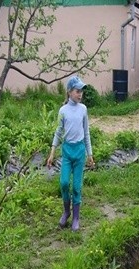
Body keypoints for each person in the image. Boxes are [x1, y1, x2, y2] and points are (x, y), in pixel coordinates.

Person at [47, 76, 94, 231]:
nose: (80, 94)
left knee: (76, 186)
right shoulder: (63, 111)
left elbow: (86, 132)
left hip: (79, 151)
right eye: (77, 91)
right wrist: (52, 152)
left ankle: (75, 217)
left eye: (81, 91)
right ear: (69, 92)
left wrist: (90, 154)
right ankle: (66, 212)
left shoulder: (83, 109)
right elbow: (58, 132)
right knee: (64, 183)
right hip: (67, 152)